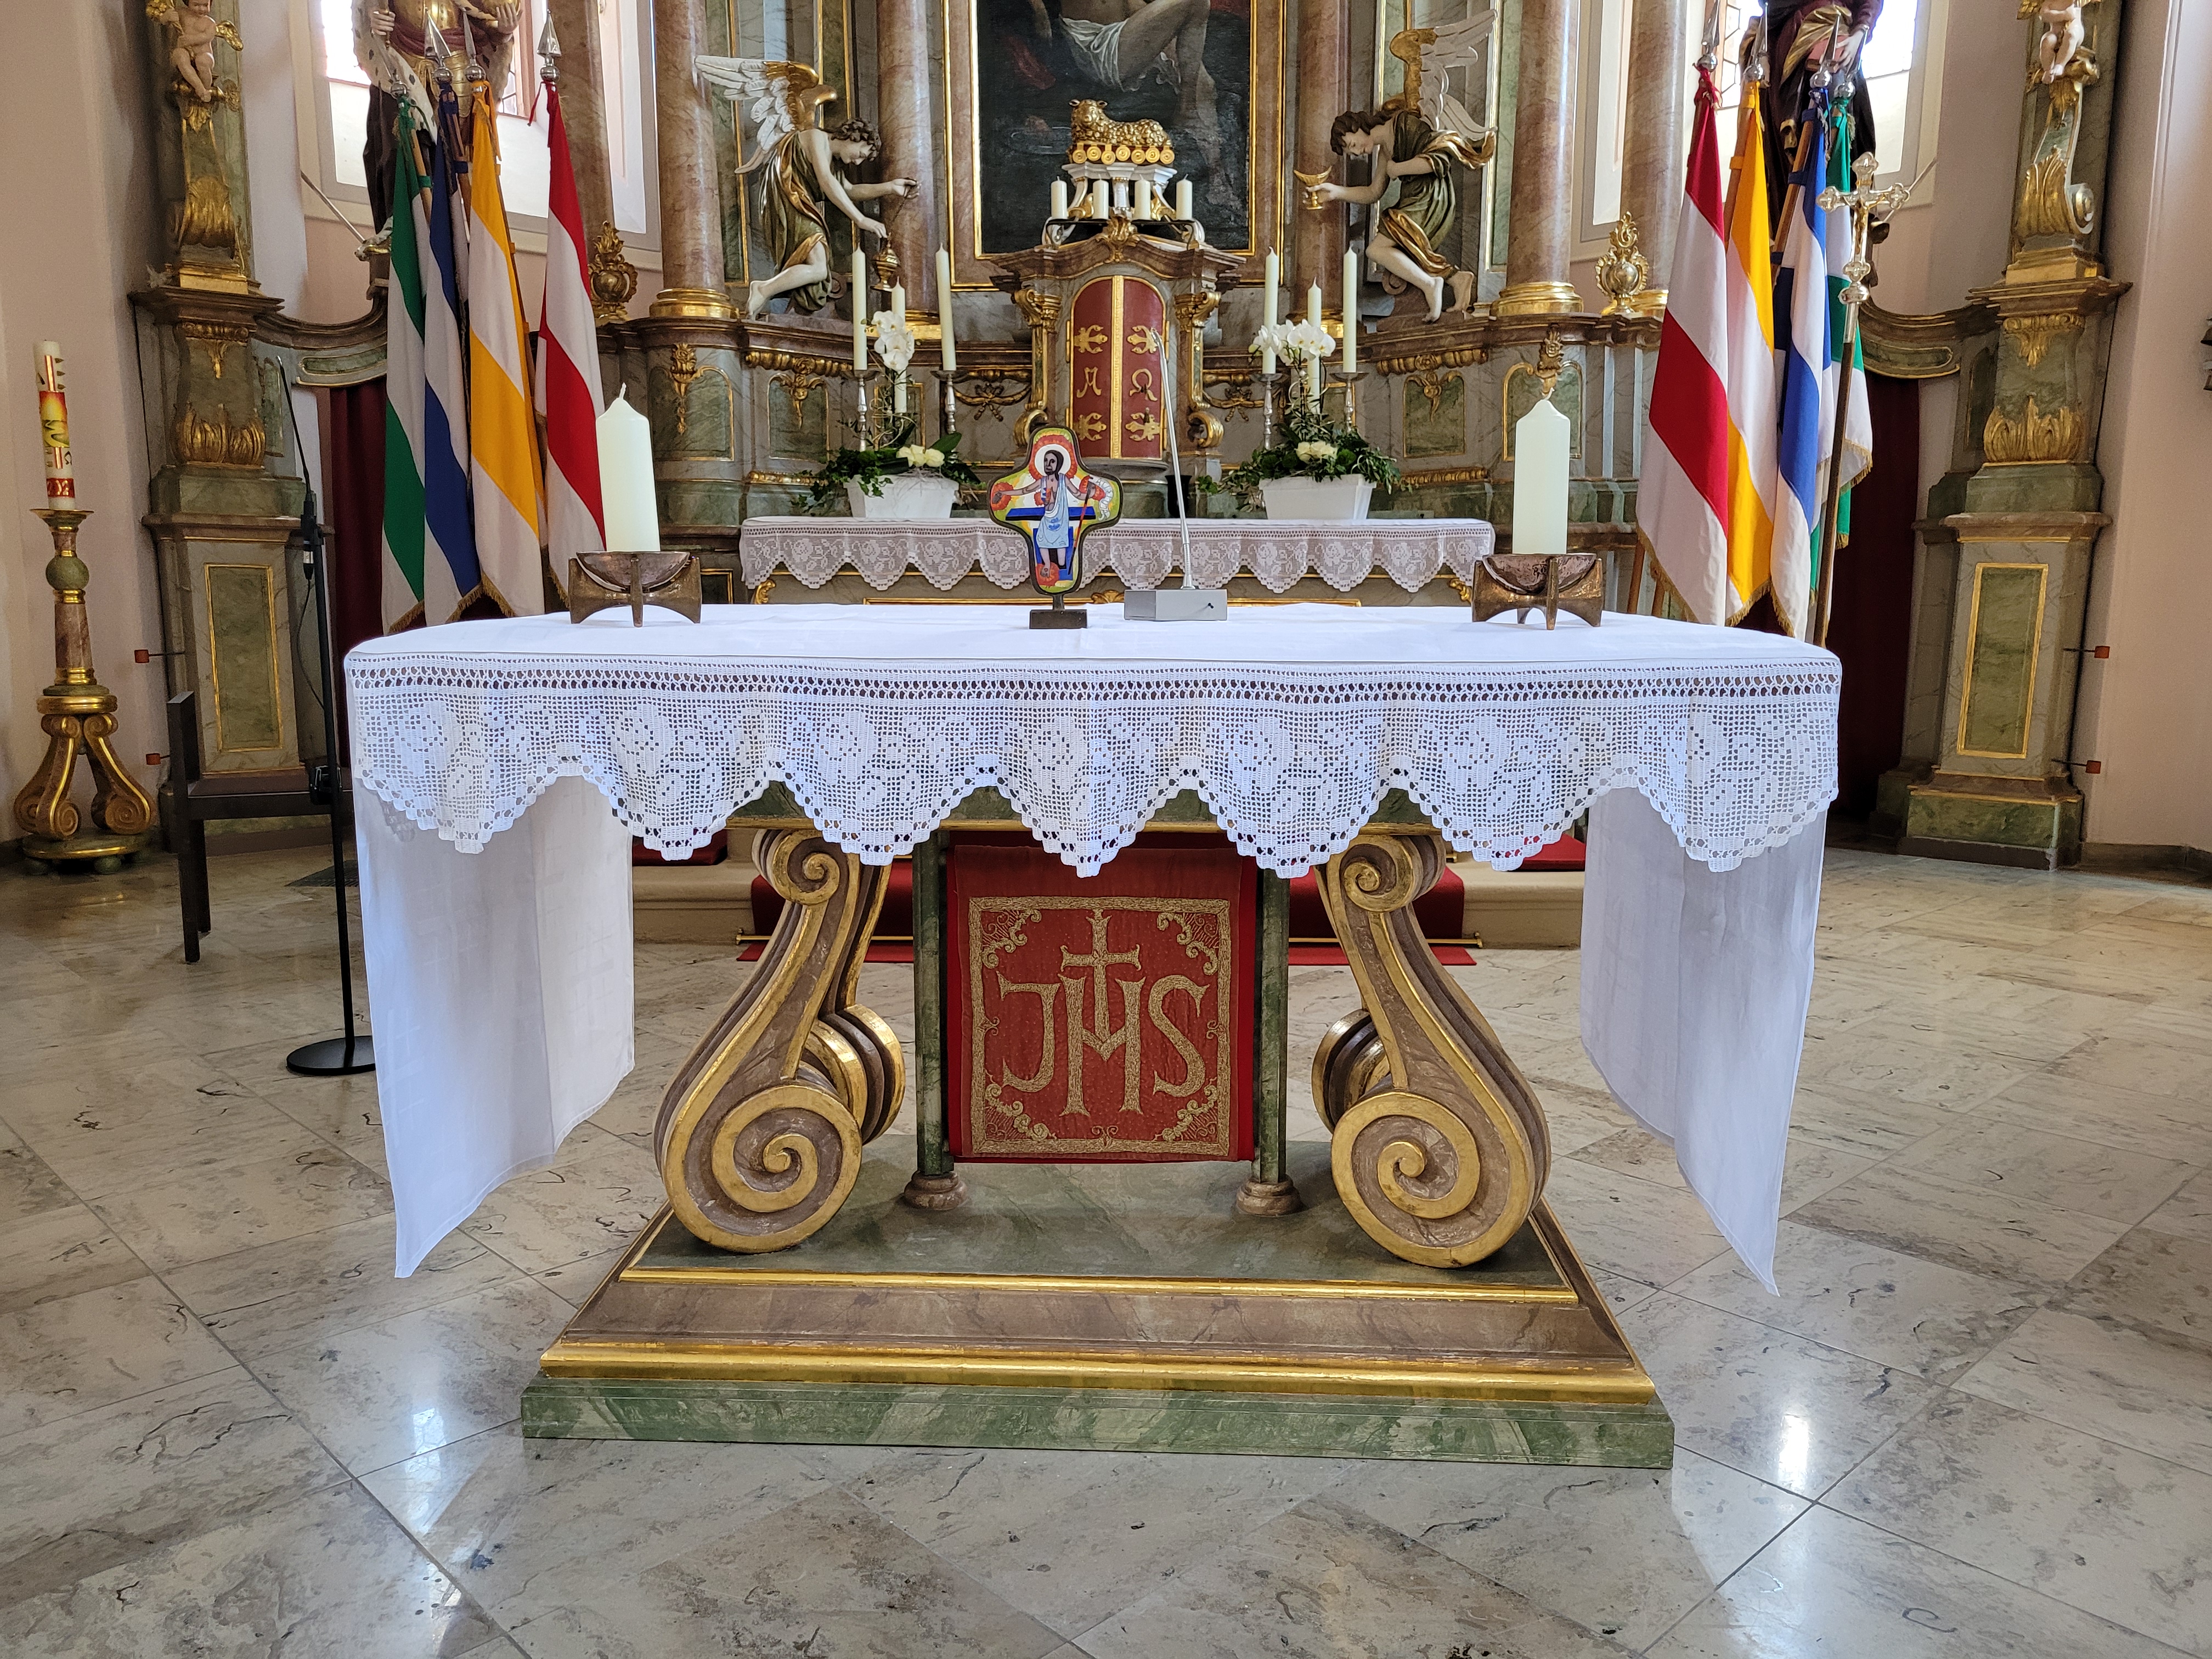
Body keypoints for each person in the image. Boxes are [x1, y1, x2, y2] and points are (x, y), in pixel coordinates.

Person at [1309, 108, 1488, 323]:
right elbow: (1373, 192)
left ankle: (1431, 284)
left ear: (1357, 126)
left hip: (1431, 198)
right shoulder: (1385, 151)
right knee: (1399, 248)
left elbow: (1438, 161)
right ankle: (1455, 279)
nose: (1357, 153)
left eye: (1353, 145)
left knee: (1378, 248)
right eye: (1352, 152)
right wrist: (1336, 192)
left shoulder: (1404, 124)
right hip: (1414, 200)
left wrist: (1398, 169)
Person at [752, 119, 915, 317]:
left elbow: (849, 190)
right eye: (861, 155)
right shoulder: (816, 137)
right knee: (819, 267)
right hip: (789, 203)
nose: (857, 162)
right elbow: (827, 181)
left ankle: (765, 289)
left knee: (819, 269)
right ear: (854, 137)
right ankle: (763, 289)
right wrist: (860, 219)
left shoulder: (834, 164)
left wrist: (890, 187)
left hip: (800, 206)